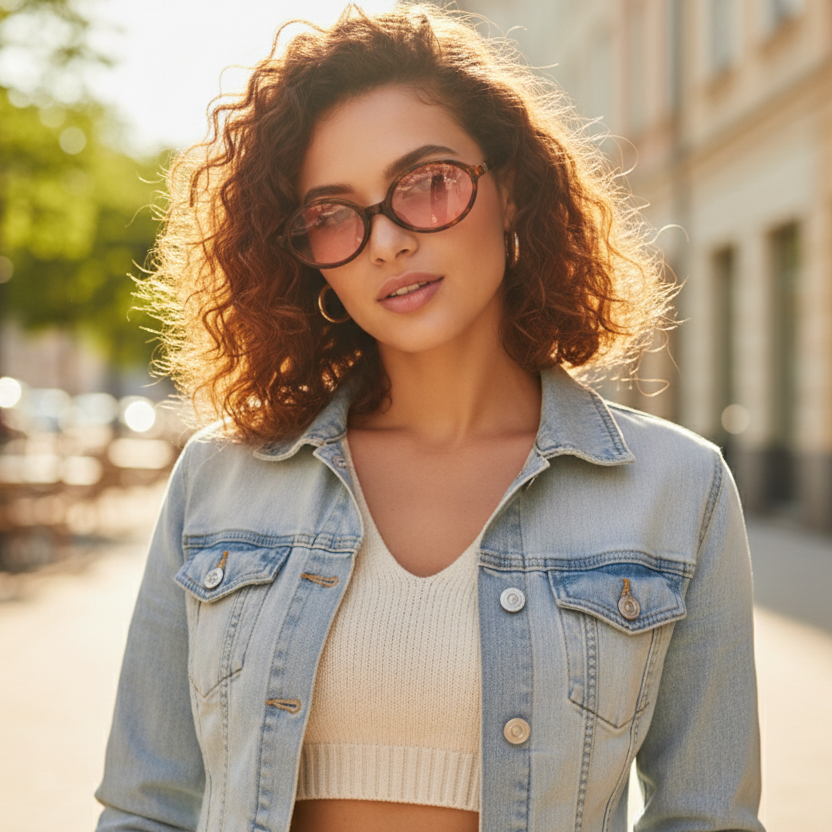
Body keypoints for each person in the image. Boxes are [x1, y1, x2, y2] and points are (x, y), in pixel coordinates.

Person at [95, 5, 765, 832]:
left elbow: (707, 817)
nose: (386, 242)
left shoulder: (677, 488)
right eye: (333, 212)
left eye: (428, 182)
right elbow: (145, 806)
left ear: (510, 188)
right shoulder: (221, 476)